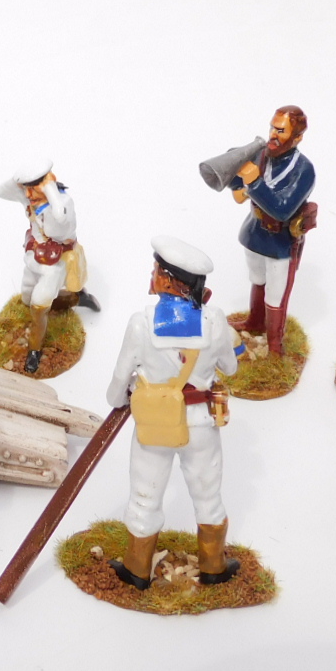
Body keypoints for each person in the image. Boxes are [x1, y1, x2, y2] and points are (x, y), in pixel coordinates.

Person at [105, 237, 241, 589]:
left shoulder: (141, 323)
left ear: (168, 280)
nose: (151, 276)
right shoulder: (215, 321)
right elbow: (231, 367)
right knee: (208, 494)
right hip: (201, 425)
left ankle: (137, 568)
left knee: (145, 494)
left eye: (156, 271)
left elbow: (120, 378)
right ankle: (213, 565)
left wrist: (117, 399)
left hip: (155, 424)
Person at [0, 160, 100, 375]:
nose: (28, 195)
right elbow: (2, 192)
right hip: (34, 257)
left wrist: (50, 191)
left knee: (38, 308)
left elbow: (57, 225)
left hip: (55, 264)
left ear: (48, 184)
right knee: (26, 299)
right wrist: (20, 181)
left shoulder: (63, 203)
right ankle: (76, 298)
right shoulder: (30, 197)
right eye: (26, 189)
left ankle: (34, 350)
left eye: (34, 189)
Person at [227, 105, 315, 352]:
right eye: (272, 128)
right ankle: (255, 322)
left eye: (281, 130)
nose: (273, 135)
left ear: (298, 137)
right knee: (257, 279)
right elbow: (236, 184)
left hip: (280, 240)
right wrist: (235, 174)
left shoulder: (304, 169)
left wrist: (254, 181)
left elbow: (282, 209)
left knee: (276, 294)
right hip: (255, 232)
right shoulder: (261, 155)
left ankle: (275, 343)